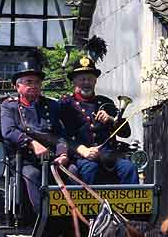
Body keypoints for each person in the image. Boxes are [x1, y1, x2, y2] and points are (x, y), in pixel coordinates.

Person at [56, 54, 139, 186]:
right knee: (90, 169)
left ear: (95, 81)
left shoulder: (106, 102)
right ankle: (87, 206)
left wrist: (111, 119)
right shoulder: (65, 105)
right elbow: (60, 136)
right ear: (74, 81)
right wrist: (82, 151)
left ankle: (130, 206)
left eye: (90, 79)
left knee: (129, 168)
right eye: (82, 79)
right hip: (81, 156)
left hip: (109, 156)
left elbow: (125, 133)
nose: (86, 83)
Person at [0, 58, 68, 217]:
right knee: (33, 175)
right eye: (28, 81)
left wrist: (63, 153)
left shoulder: (51, 106)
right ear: (17, 86)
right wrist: (32, 143)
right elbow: (8, 131)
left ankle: (72, 219)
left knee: (73, 170)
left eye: (37, 82)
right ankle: (42, 221)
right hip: (24, 159)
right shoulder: (9, 106)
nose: (33, 85)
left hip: (51, 159)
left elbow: (61, 135)